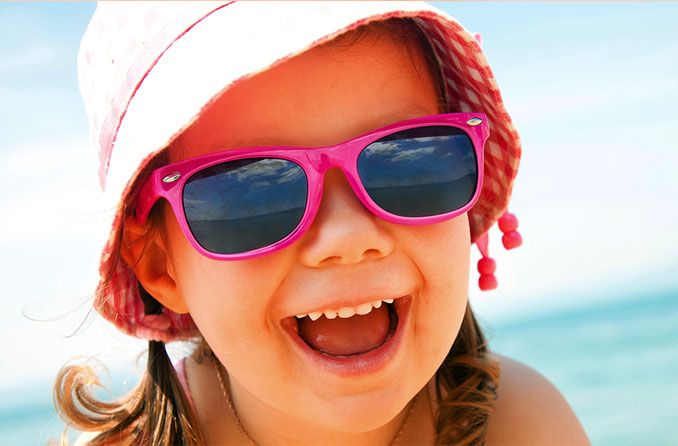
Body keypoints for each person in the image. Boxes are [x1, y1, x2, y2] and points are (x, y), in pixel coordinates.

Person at [54, 2, 590, 445]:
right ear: (160, 266)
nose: (347, 237)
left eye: (412, 163)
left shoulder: (522, 424)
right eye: (250, 195)